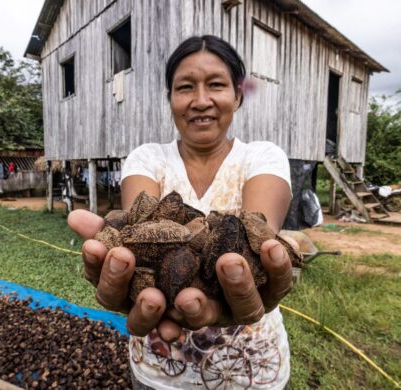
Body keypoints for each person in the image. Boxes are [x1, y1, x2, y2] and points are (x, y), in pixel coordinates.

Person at [68, 35, 295, 389]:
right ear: (171, 99)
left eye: (216, 85)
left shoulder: (263, 156)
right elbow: (140, 234)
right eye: (185, 87)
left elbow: (256, 242)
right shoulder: (147, 158)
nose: (201, 101)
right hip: (158, 369)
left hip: (251, 368)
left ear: (237, 95)